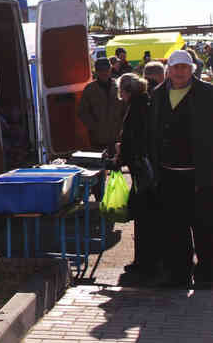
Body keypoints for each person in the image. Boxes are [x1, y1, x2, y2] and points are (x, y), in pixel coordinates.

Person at [148, 49, 213, 288]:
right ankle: (179, 273)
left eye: (184, 67)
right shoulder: (156, 94)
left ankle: (207, 274)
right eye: (175, 67)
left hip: (200, 175)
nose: (179, 72)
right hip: (168, 174)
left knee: (205, 227)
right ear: (169, 70)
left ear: (192, 69)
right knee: (175, 227)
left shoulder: (207, 94)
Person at [114, 73, 159, 278]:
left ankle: (144, 262)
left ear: (126, 91)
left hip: (141, 171)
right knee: (147, 217)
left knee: (143, 217)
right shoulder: (147, 102)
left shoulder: (136, 108)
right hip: (146, 169)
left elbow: (133, 140)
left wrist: (118, 159)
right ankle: (147, 260)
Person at [78, 58, 125, 155]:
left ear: (110, 69)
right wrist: (94, 126)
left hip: (117, 136)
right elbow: (82, 112)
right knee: (101, 164)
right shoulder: (90, 89)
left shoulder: (118, 85)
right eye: (101, 70)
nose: (104, 73)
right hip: (98, 138)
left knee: (116, 165)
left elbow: (125, 108)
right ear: (96, 71)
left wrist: (122, 126)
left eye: (106, 70)